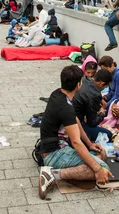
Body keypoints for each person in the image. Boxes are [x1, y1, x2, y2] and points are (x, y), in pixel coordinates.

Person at [38, 65, 112, 199]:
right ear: (78, 84)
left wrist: (89, 144)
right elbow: (76, 142)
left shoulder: (58, 94)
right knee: (103, 168)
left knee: (101, 154)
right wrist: (98, 169)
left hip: (57, 147)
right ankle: (52, 174)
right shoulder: (65, 107)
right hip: (53, 152)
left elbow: (75, 120)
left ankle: (72, 174)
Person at [73, 69, 113, 141]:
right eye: (105, 86)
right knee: (108, 134)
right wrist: (101, 113)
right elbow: (92, 122)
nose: (104, 88)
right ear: (101, 84)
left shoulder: (85, 79)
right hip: (73, 122)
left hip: (69, 113)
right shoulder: (95, 95)